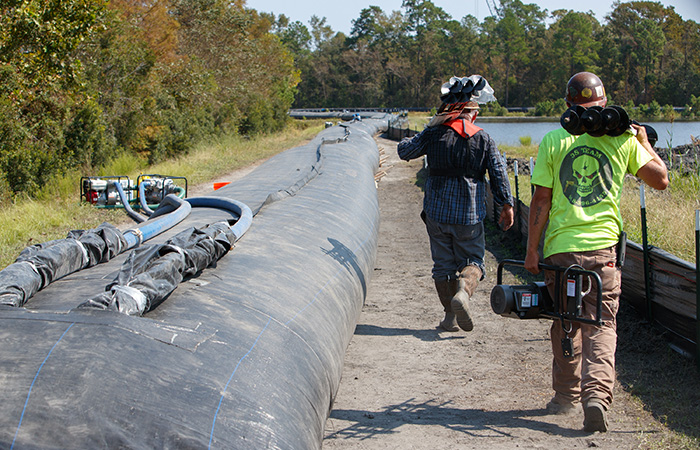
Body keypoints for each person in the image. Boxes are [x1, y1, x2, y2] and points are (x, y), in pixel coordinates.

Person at [524, 72, 668, 432]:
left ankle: (565, 397)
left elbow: (541, 199)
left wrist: (531, 251)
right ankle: (596, 397)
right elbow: (661, 179)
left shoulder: (554, 140)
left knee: (565, 322)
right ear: (605, 105)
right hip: (602, 252)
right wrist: (645, 141)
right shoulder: (623, 139)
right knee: (601, 323)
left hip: (560, 252)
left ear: (568, 106)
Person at [397, 75, 514, 333]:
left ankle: (449, 318)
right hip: (469, 215)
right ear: (470, 113)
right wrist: (506, 205)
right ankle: (464, 291)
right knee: (474, 261)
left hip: (437, 213)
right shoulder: (483, 139)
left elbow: (404, 151)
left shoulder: (434, 133)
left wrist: (429, 127)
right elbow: (498, 173)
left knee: (443, 267)